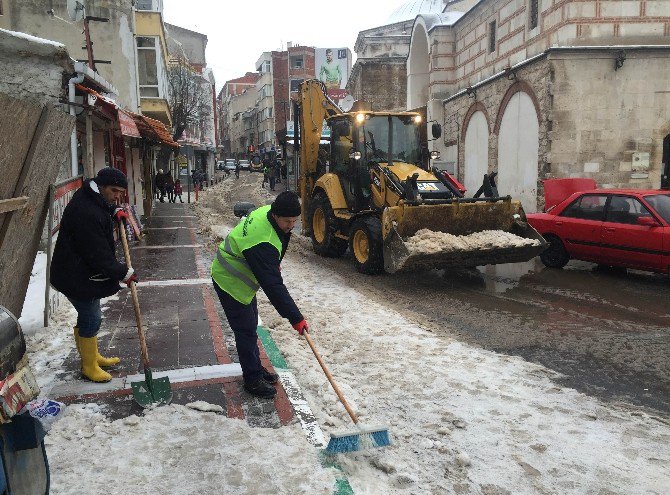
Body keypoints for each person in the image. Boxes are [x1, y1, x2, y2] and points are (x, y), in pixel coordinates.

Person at [210, 191, 308, 398]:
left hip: (241, 275)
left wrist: (271, 264)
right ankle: (252, 380)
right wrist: (295, 318)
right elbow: (273, 286)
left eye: (295, 221)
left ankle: (255, 367)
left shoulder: (266, 211)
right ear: (275, 216)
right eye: (287, 221)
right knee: (245, 330)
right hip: (230, 279)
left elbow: (275, 251)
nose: (291, 226)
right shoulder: (262, 240)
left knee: (251, 325)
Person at [50, 167, 139, 383]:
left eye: (121, 192)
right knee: (92, 317)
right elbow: (97, 255)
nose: (117, 196)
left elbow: (100, 208)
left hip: (79, 271)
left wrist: (113, 211)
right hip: (75, 275)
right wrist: (123, 273)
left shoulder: (90, 196)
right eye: (114, 191)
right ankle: (88, 365)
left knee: (89, 314)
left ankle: (92, 356)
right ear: (101, 186)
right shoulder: (86, 213)